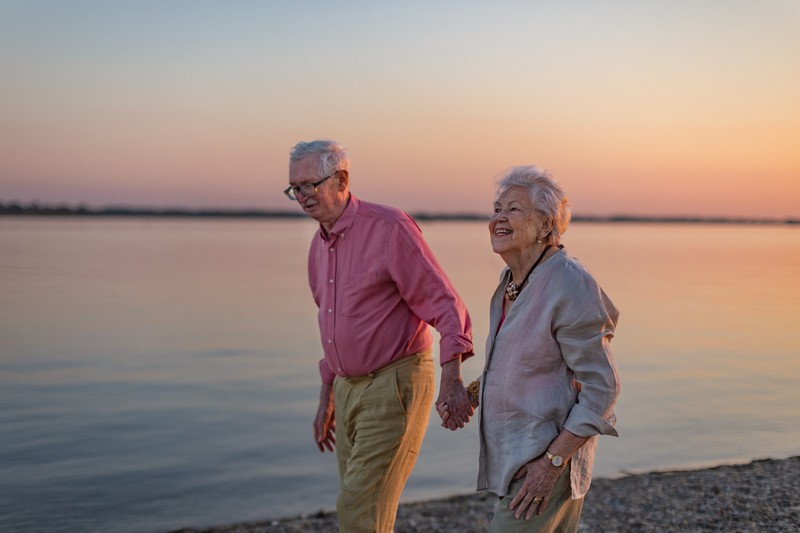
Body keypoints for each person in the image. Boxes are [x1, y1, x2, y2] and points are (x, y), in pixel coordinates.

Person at [285, 140, 475, 532]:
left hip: (395, 383)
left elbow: (445, 304)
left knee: (358, 507)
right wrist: (327, 399)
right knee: (365, 509)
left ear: (341, 179)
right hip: (346, 387)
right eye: (295, 188)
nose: (302, 196)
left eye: (309, 185)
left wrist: (452, 378)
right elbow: (331, 325)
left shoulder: (390, 228)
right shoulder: (318, 246)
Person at [438, 166, 620, 532]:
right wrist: (471, 394)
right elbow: (520, 365)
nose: (498, 218)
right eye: (497, 208)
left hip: (546, 459)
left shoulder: (569, 284)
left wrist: (550, 464)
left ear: (545, 226)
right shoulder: (513, 281)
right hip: (518, 457)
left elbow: (603, 389)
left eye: (513, 209)